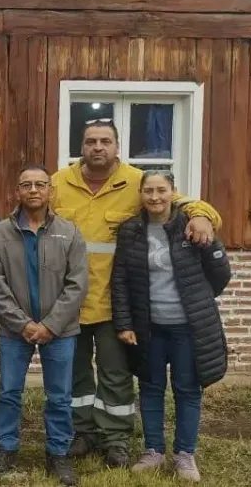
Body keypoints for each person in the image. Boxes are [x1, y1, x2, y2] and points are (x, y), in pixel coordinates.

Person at [51, 119, 222, 467]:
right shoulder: (59, 183)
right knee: (77, 375)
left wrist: (203, 217)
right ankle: (82, 433)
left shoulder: (134, 183)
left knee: (116, 375)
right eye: (90, 141)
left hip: (116, 303)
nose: (98, 147)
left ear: (117, 146)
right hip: (68, 300)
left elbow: (185, 202)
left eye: (105, 141)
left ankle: (116, 438)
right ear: (81, 146)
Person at [112, 170, 232, 483]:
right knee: (151, 389)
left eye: (161, 190)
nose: (155, 197)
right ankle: (153, 450)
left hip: (187, 328)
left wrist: (198, 298)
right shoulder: (131, 231)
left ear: (173, 192)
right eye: (149, 191)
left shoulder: (192, 225)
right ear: (141, 194)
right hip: (149, 327)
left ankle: (184, 455)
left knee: (187, 389)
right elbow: (121, 279)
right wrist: (124, 322)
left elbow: (220, 272)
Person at [0, 164, 88, 486]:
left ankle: (58, 454)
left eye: (40, 184)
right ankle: (6, 449)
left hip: (60, 332)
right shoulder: (0, 233)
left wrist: (51, 325)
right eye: (26, 184)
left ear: (49, 191)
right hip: (16, 332)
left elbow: (77, 284)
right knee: (9, 392)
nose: (33, 190)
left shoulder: (69, 232)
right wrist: (24, 324)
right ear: (17, 191)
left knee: (59, 395)